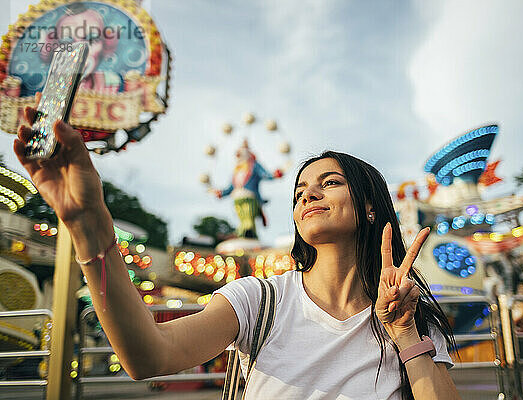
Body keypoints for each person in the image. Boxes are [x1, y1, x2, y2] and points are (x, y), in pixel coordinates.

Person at [13, 96, 461, 399]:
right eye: (301, 190)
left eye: (330, 183)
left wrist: (404, 333)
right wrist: (88, 223)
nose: (308, 195)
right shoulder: (260, 299)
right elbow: (148, 354)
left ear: (368, 208)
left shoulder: (410, 313)